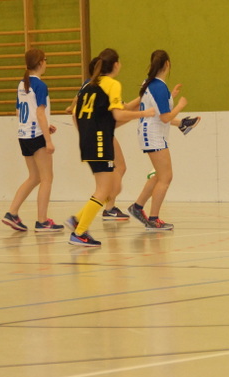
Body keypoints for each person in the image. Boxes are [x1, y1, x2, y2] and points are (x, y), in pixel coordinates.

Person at [69, 48, 155, 247]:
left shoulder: (89, 85)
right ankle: (79, 232)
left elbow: (101, 117)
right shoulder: (112, 84)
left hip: (90, 139)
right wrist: (144, 113)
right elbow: (118, 114)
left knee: (110, 187)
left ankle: (78, 220)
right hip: (99, 140)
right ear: (115, 65)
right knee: (105, 189)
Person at [127, 50, 193, 230]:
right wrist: (180, 106)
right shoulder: (159, 87)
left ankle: (137, 207)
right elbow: (165, 117)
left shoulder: (150, 84)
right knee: (166, 177)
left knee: (159, 174)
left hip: (150, 133)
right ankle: (154, 218)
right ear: (167, 64)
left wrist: (172, 96)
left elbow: (157, 107)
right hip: (154, 135)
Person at [2, 49, 64, 233]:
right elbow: (40, 113)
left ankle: (12, 213)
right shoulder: (40, 85)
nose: (46, 63)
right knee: (47, 178)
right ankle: (42, 221)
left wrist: (45, 126)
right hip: (36, 136)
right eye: (46, 60)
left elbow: (19, 112)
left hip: (24, 135)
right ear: (40, 62)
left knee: (34, 177)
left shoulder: (22, 84)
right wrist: (48, 140)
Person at [65, 57, 130, 222]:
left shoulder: (87, 85)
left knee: (117, 170)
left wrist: (71, 108)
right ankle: (107, 208)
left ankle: (102, 208)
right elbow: (120, 113)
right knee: (112, 176)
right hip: (99, 134)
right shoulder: (101, 85)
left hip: (94, 133)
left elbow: (76, 102)